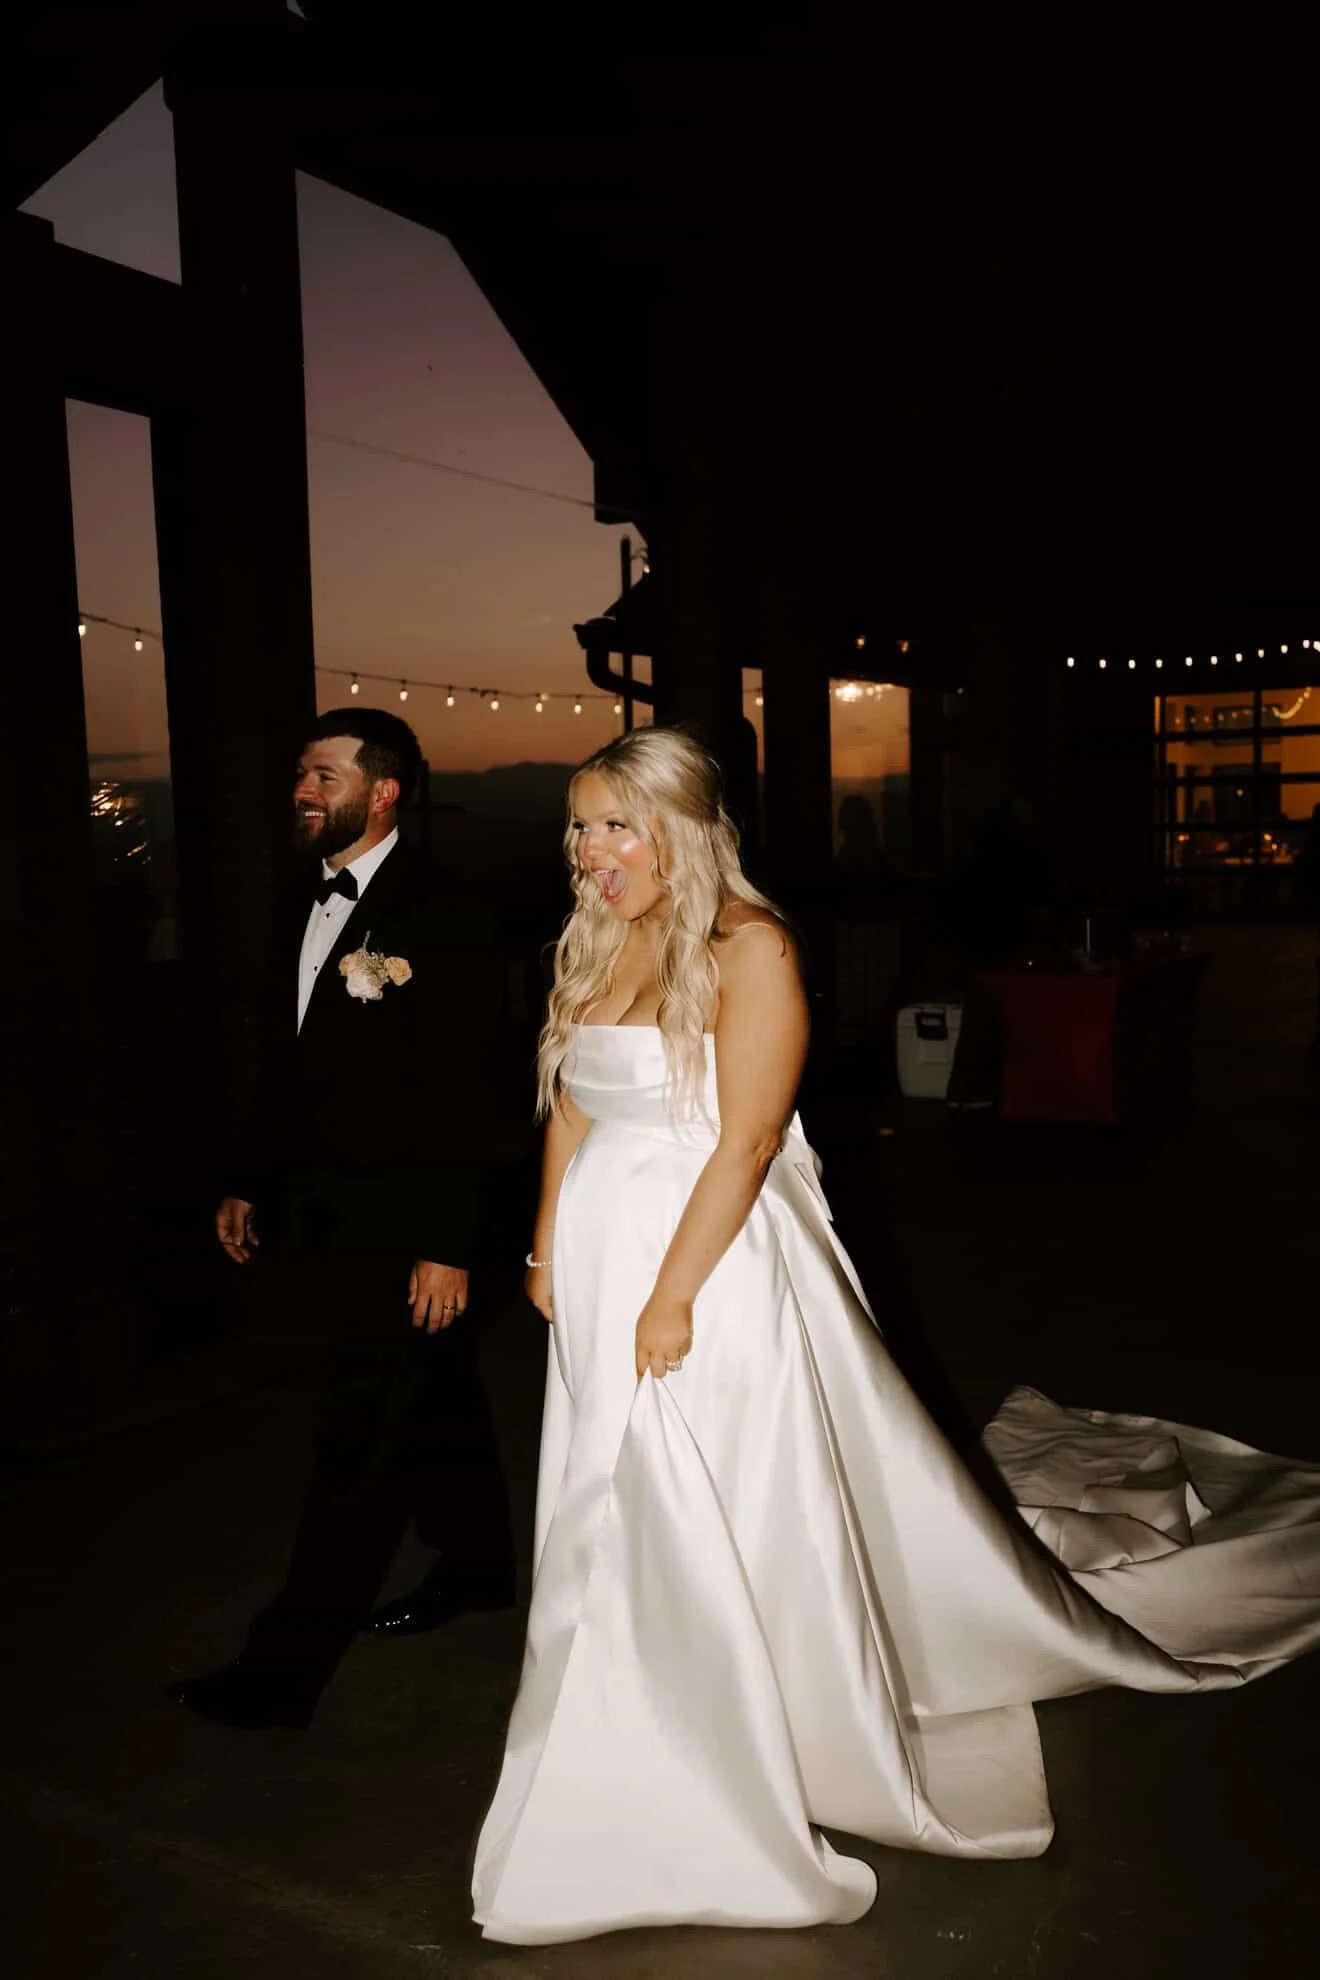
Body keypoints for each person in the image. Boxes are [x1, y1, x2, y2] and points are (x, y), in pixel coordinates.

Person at [470, 725, 1320, 1945]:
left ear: (683, 824)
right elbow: (572, 1101)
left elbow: (748, 1142)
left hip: (706, 1266)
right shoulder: (599, 939)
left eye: (614, 824)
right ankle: (632, 1704)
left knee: (696, 1492)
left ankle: (728, 1733)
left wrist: (671, 1296)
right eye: (578, 825)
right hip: (602, 1271)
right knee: (612, 1497)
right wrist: (549, 1242)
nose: (589, 851)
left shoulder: (750, 944)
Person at [174, 709, 515, 1731]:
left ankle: (280, 1675)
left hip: (418, 1224)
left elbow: (474, 1089)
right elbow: (286, 1058)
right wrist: (247, 1178)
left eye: (321, 775)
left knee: (358, 1442)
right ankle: (480, 1565)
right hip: (326, 1214)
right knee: (437, 1394)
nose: (301, 791)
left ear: (384, 790)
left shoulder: (448, 907)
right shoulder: (301, 897)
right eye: (299, 773)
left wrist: (448, 1243)